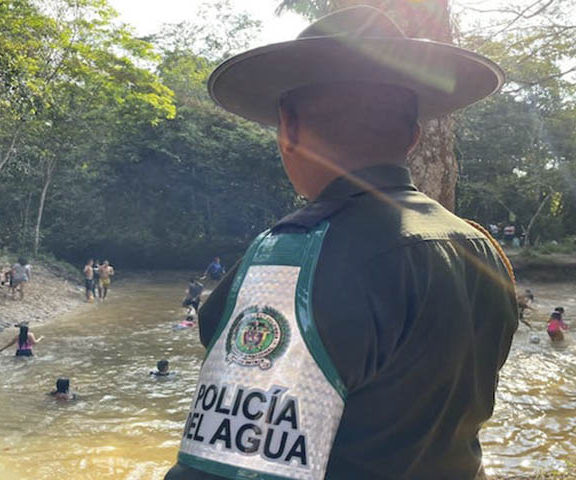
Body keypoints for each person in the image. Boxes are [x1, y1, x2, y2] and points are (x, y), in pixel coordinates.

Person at [165, 7, 518, 480]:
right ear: (412, 137)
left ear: (288, 127)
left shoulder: (292, 260)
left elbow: (228, 466)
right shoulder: (481, 250)